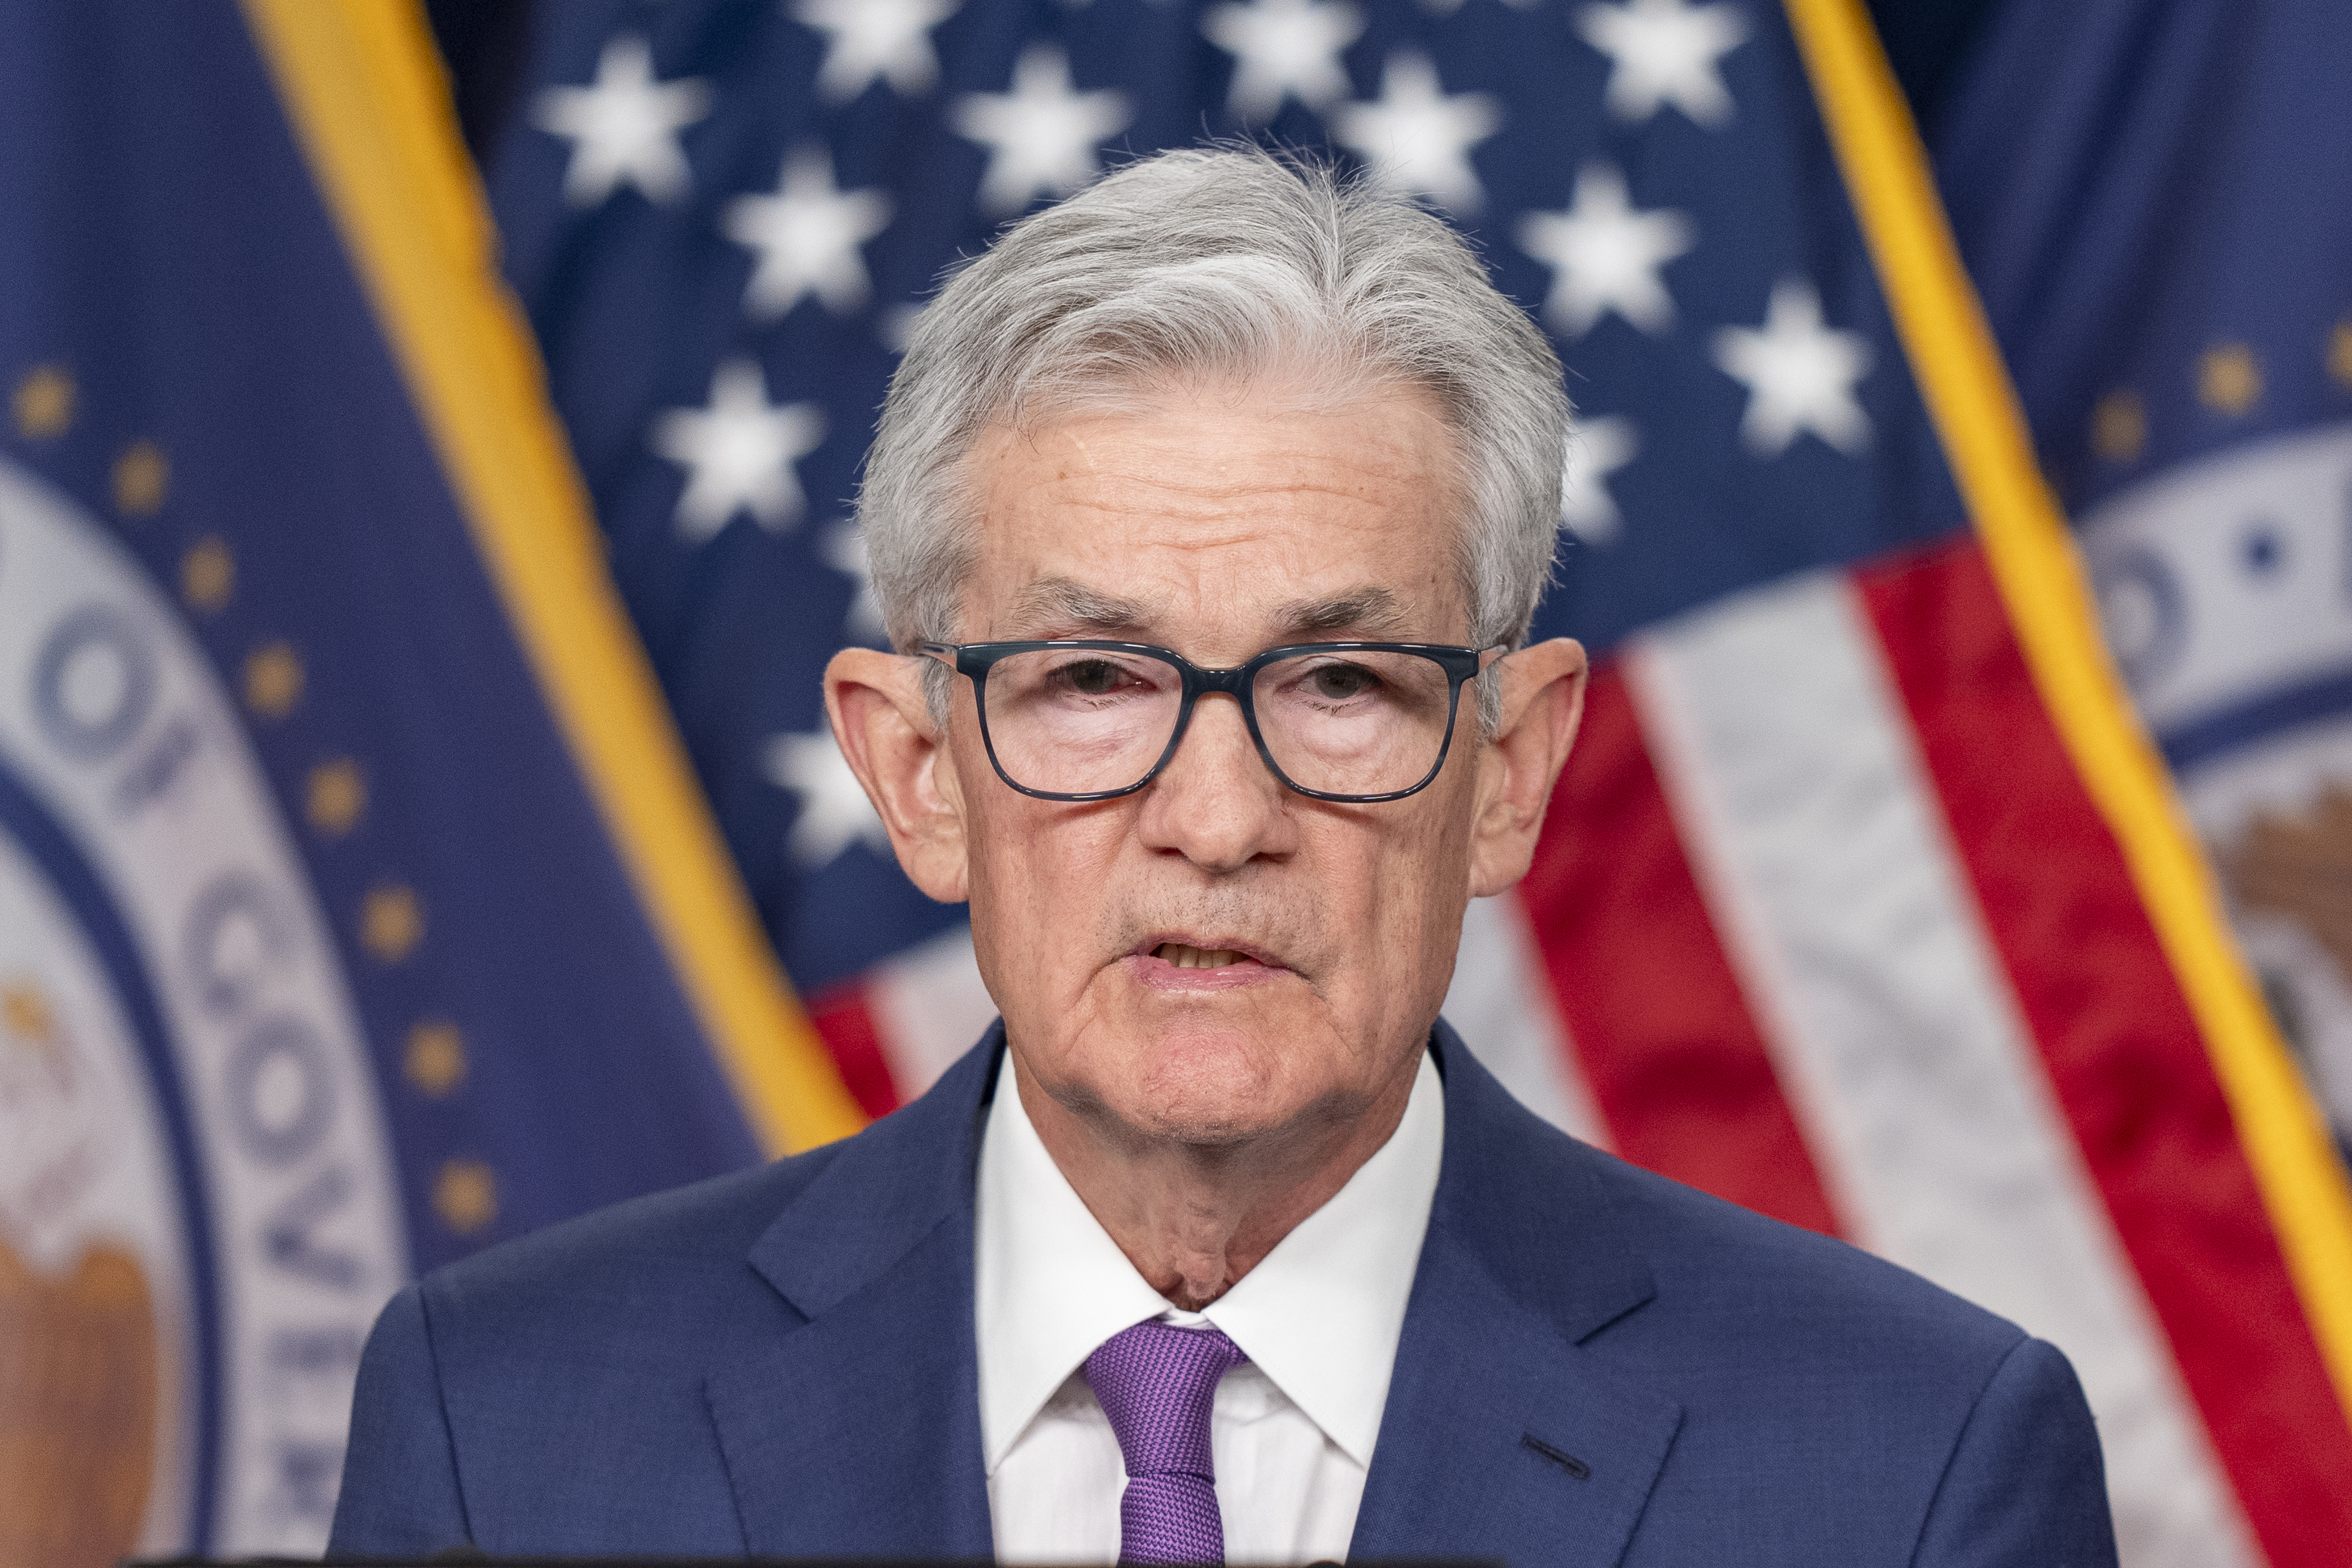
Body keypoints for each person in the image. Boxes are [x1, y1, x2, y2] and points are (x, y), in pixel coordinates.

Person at [329, 147, 2117, 1567]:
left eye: (1338, 682)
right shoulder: (510, 1428)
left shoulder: (1906, 1476)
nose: (1214, 816)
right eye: (1093, 680)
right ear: (917, 770)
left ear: (1508, 770)